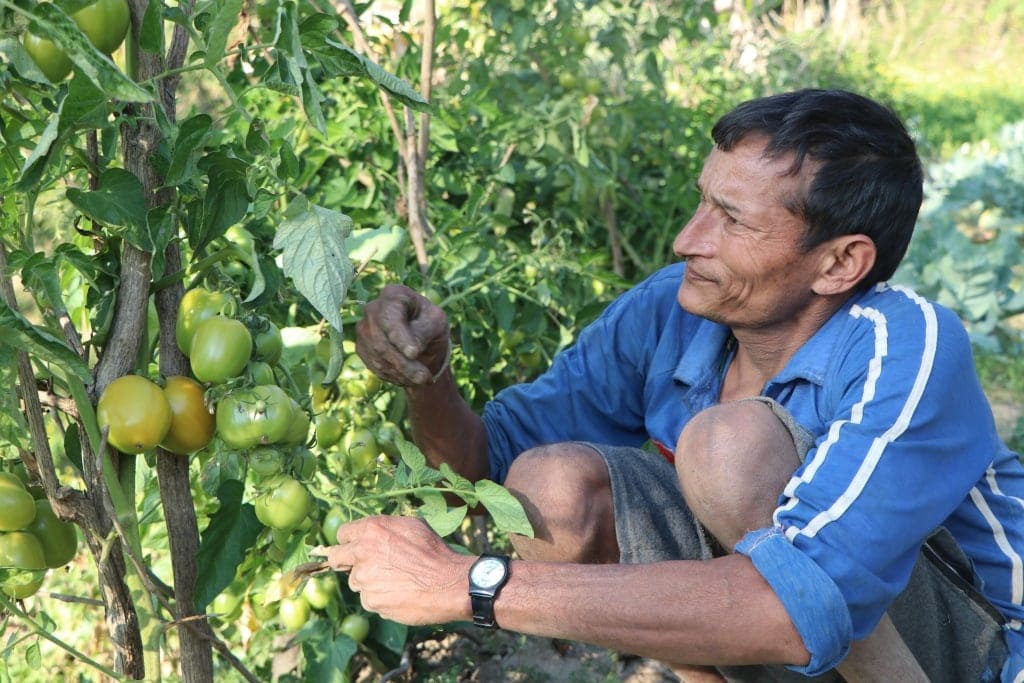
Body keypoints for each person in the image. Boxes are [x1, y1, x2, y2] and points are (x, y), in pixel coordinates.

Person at [324, 89, 1024, 681]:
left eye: (732, 220)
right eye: (702, 203)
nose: (688, 239)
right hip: (794, 627)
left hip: (974, 649)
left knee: (729, 450)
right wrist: (428, 376)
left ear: (841, 263)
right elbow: (479, 476)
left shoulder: (905, 343)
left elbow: (803, 604)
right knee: (550, 487)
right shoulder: (673, 310)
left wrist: (466, 583)